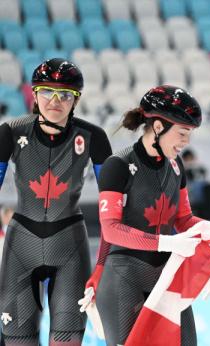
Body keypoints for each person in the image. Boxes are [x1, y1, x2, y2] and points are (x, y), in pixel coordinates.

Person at [80, 85, 207, 346]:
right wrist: (100, 270)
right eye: (182, 134)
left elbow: (184, 220)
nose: (186, 143)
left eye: (189, 135)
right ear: (158, 127)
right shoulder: (118, 165)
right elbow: (112, 229)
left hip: (166, 276)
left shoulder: (175, 165)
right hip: (124, 277)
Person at [0, 58, 112, 345]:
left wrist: (107, 263)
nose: (55, 101)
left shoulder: (93, 137)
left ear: (76, 100)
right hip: (20, 246)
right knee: (17, 339)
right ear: (34, 94)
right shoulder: (10, 132)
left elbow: (115, 209)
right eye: (47, 92)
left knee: (67, 339)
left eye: (65, 95)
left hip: (70, 247)